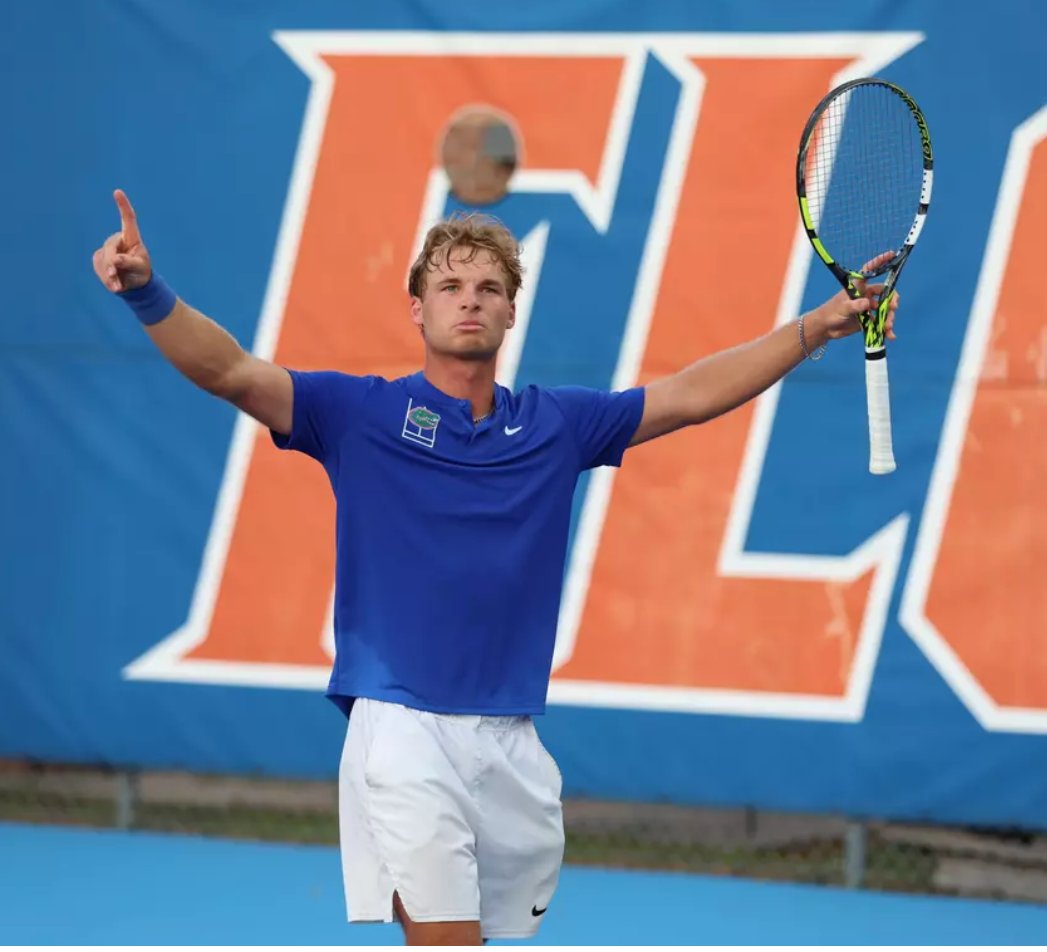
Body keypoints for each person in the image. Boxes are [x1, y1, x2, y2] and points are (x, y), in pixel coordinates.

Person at [93, 189, 897, 945]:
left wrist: (815, 327)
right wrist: (146, 292)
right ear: (417, 307)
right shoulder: (357, 415)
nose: (468, 298)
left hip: (511, 736)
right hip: (400, 725)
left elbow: (687, 396)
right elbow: (229, 371)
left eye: (486, 286)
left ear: (512, 308)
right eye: (448, 286)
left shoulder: (557, 425)